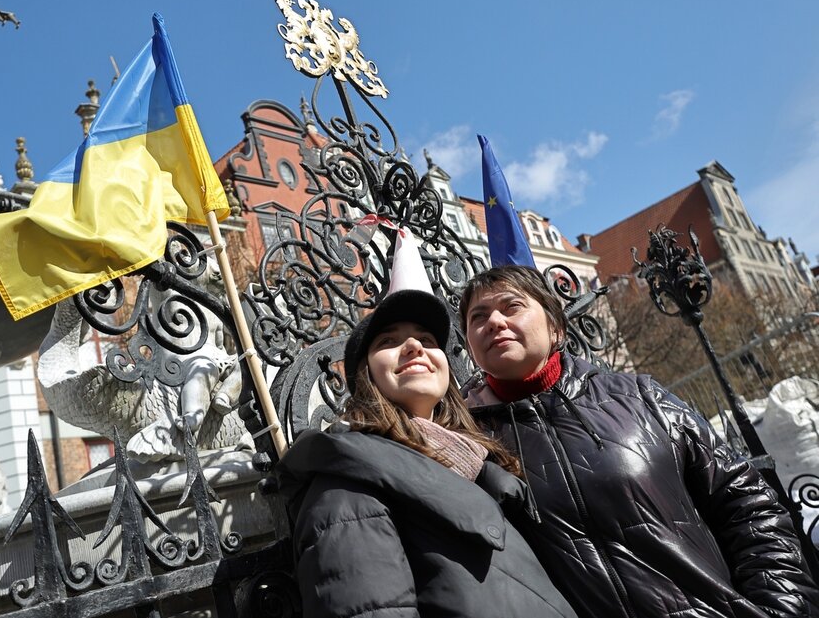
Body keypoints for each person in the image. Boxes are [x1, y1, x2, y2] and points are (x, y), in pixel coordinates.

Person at [459, 265, 819, 618]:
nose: (494, 321)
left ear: (555, 326)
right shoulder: (471, 442)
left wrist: (781, 605)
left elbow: (746, 503)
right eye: (478, 317)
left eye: (512, 306)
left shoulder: (642, 397)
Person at [276, 285, 578, 618]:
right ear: (366, 376)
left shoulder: (482, 464)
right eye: (387, 342)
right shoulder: (346, 485)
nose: (414, 346)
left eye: (428, 341)